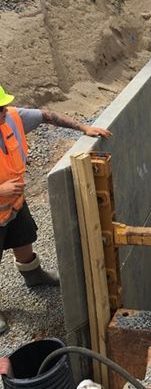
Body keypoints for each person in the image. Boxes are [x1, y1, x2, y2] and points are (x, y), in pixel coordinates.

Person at [0, 84, 112, 334]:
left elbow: (47, 116)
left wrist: (83, 128)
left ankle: (33, 275)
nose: (5, 111)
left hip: (14, 205)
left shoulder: (12, 118)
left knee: (24, 238)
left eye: (4, 106)